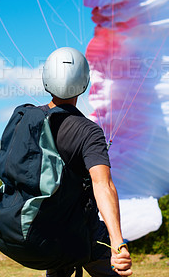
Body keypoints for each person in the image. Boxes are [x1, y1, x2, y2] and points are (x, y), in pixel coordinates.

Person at [41, 47, 133, 277]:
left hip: (43, 229)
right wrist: (117, 244)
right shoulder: (88, 132)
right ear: (85, 83)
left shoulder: (26, 120)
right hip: (82, 230)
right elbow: (103, 185)